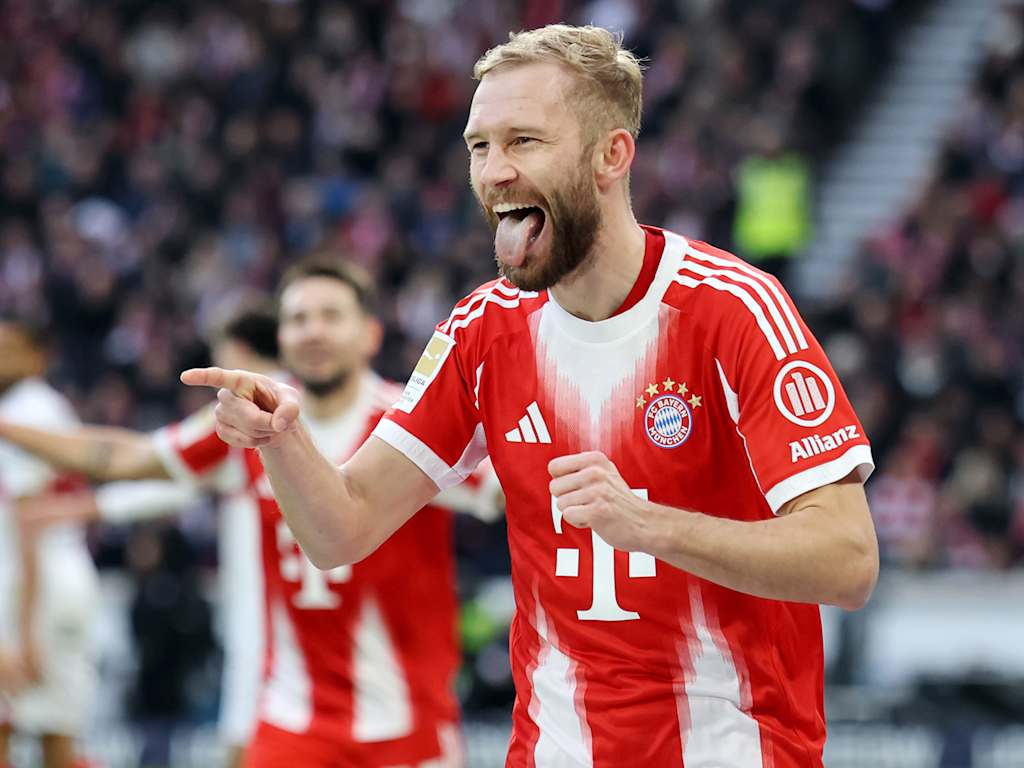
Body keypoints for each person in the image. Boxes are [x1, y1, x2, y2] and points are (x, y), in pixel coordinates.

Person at [183, 24, 880, 768]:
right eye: (480, 146)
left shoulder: (734, 309)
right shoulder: (483, 328)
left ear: (611, 155)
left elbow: (847, 560)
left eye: (524, 142)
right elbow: (342, 530)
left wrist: (650, 525)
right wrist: (284, 442)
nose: (495, 172)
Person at [0, 259, 494, 767]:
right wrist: (7, 427)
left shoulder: (414, 424)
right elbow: (126, 457)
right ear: (281, 336)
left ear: (370, 334)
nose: (314, 331)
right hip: (290, 721)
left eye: (331, 315)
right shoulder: (248, 421)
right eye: (299, 319)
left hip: (408, 724)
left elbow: (510, 490)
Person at [17, 303, 282, 768]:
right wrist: (85, 506)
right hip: (314, 616)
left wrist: (79, 501)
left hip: (269, 619)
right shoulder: (334, 406)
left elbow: (138, 460)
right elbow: (171, 479)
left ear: (237, 351)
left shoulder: (242, 416)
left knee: (252, 740)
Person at [0, 317, 98, 768]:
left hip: (39, 585)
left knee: (48, 730)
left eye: (8, 347)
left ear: (38, 356)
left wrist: (20, 629)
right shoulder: (35, 405)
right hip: (44, 578)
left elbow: (29, 518)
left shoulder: (28, 409)